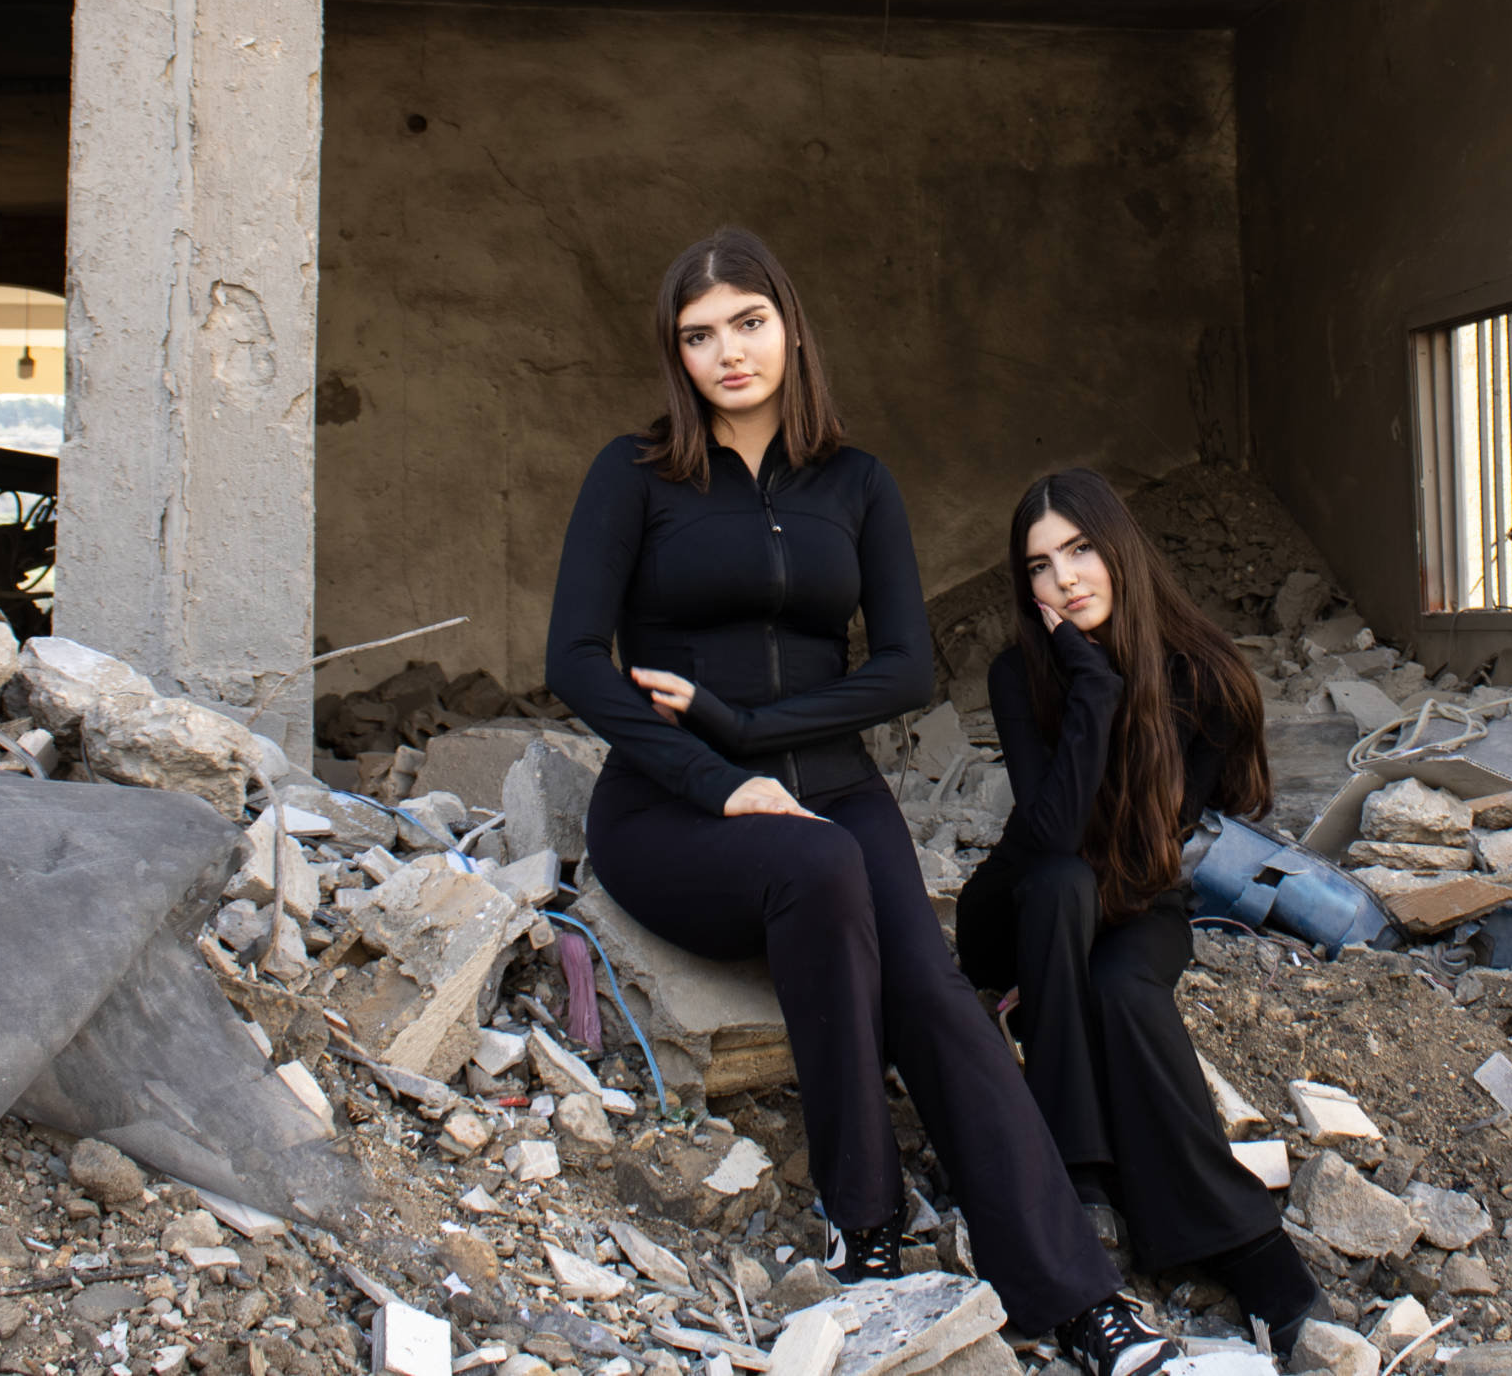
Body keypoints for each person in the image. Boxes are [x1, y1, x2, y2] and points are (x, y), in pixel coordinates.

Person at [545, 231, 1176, 1376]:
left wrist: (749, 731)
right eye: (699, 335)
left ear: (790, 327)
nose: (727, 352)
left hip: (836, 784)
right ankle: (864, 1224)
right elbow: (579, 660)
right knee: (823, 870)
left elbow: (902, 669)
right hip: (670, 810)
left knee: (932, 987)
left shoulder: (856, 482)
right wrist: (716, 778)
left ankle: (1081, 1301)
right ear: (674, 354)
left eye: (748, 323)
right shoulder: (633, 475)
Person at [955, 467, 1321, 1352]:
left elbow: (1155, 849)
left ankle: (1240, 1242)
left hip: (1138, 895)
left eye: (1080, 551)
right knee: (1061, 883)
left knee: (1124, 992)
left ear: (1118, 550)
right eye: (1040, 566)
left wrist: (1113, 692)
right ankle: (1077, 1181)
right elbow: (1045, 840)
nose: (1064, 579)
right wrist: (1091, 691)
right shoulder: (1022, 674)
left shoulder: (1206, 681)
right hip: (1020, 910)